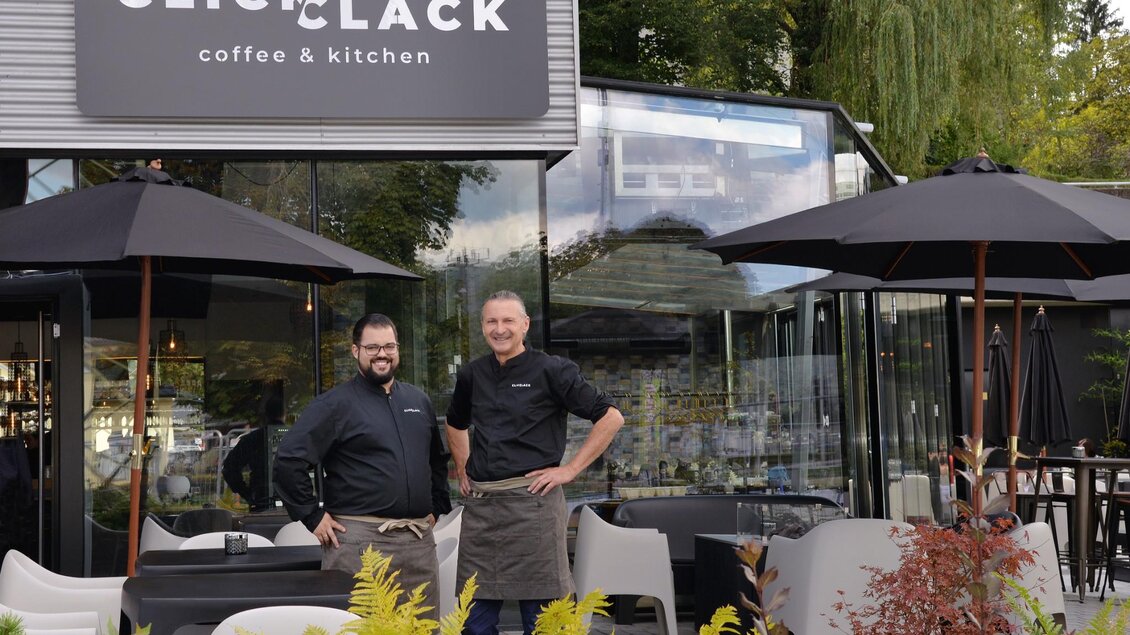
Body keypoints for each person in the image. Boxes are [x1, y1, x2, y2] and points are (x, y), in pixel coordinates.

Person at [446, 290, 624, 635]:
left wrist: (570, 469)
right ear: (483, 327)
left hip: (534, 507)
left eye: (508, 320)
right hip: (482, 512)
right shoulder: (472, 374)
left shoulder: (552, 370)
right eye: (492, 321)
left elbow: (611, 417)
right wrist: (465, 468)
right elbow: (455, 423)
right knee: (473, 624)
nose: (500, 329)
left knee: (542, 623)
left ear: (525, 324)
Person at [274, 313, 451, 614]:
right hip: (358, 546)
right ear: (355, 350)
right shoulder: (334, 405)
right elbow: (288, 460)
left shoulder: (418, 400)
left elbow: (435, 460)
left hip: (418, 545)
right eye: (372, 347)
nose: (382, 354)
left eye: (389, 346)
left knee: (422, 628)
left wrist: (437, 505)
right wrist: (312, 516)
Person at [222, 395, 287, 512]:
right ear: (284, 414)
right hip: (291, 501)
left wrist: (246, 493)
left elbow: (229, 468)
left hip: (261, 501)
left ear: (266, 415)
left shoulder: (253, 439)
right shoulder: (294, 437)